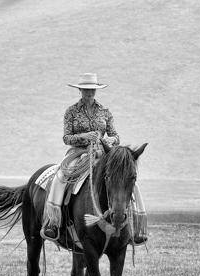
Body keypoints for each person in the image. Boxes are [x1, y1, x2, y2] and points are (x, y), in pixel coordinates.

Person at [40, 73, 147, 245]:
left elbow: (115, 136)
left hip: (103, 153)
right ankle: (52, 222)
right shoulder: (71, 112)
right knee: (61, 176)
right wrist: (84, 136)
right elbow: (66, 138)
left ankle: (135, 227)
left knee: (127, 179)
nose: (89, 93)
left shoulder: (105, 111)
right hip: (78, 153)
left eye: (92, 90)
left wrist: (109, 141)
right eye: (86, 90)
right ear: (80, 90)